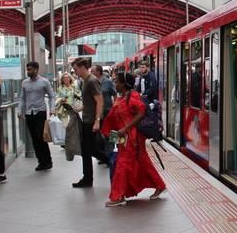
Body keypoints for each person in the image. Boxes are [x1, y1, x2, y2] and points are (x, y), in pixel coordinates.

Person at [101, 72, 166, 207]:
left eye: (117, 82)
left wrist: (125, 128)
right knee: (143, 161)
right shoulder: (123, 97)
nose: (115, 84)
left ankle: (118, 195)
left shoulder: (132, 97)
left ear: (124, 84)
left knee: (122, 165)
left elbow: (142, 112)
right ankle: (159, 185)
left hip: (132, 139)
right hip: (126, 138)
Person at [70, 57, 106, 188]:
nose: (75, 72)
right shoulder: (85, 81)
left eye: (76, 69)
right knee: (87, 150)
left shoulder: (91, 81)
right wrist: (80, 108)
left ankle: (112, 161)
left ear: (83, 67)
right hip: (87, 119)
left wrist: (97, 121)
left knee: (90, 149)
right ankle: (87, 178)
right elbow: (90, 101)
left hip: (91, 121)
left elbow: (100, 101)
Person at [18, 61, 56, 171]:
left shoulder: (44, 82)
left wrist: (52, 109)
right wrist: (20, 110)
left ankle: (47, 161)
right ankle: (41, 162)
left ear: (36, 69)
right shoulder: (25, 83)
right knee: (34, 139)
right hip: (29, 113)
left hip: (40, 112)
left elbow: (52, 96)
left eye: (30, 69)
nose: (28, 71)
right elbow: (22, 98)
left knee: (41, 137)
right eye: (27, 69)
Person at [92, 65, 117, 164]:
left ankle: (110, 155)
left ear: (99, 72)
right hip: (96, 112)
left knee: (110, 133)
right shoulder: (92, 82)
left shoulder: (108, 82)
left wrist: (115, 106)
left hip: (108, 111)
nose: (91, 72)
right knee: (98, 135)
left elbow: (114, 93)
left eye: (93, 71)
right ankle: (103, 155)